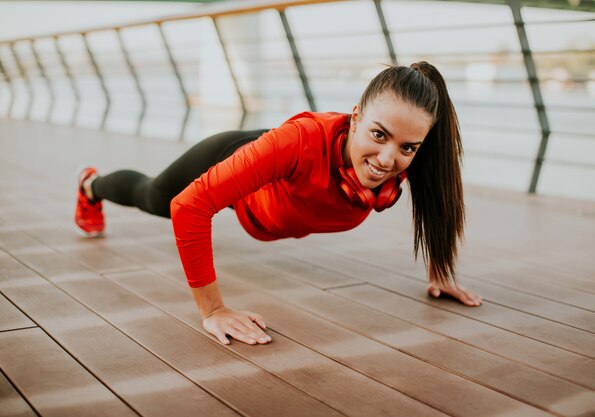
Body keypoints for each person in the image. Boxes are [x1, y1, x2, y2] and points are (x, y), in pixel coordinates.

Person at [74, 62, 483, 346]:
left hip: (272, 201)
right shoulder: (299, 142)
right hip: (240, 156)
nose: (387, 160)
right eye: (378, 135)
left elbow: (435, 199)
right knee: (152, 197)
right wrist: (213, 310)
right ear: (355, 117)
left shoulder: (405, 154)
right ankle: (91, 185)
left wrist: (440, 271)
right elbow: (190, 206)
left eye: (406, 147)